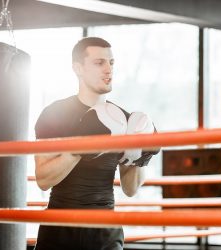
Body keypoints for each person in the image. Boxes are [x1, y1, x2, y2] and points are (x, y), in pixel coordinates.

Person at [34, 37, 158, 250]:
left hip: (105, 231)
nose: (108, 70)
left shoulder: (123, 119)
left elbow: (130, 189)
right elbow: (43, 180)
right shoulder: (55, 114)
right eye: (99, 63)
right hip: (60, 227)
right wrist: (80, 148)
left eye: (111, 63)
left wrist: (140, 158)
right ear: (78, 68)